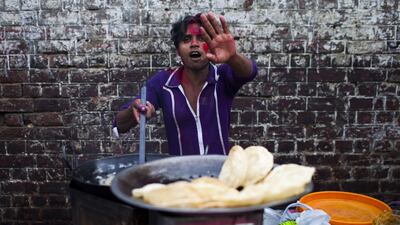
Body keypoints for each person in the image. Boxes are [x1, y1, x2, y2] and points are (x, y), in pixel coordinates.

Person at [114, 12, 258, 155]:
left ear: (210, 44)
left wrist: (232, 57)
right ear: (178, 50)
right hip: (180, 174)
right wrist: (136, 110)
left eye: (201, 38)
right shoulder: (163, 82)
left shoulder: (222, 76)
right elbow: (120, 125)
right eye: (186, 39)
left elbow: (249, 72)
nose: (194, 44)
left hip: (220, 173)